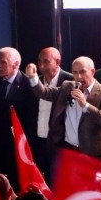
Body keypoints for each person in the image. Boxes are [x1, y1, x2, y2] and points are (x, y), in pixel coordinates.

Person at [25, 56, 101, 163]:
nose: (79, 76)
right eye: (75, 72)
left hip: (91, 155)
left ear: (92, 71)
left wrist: (85, 105)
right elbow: (44, 93)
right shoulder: (67, 86)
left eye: (82, 72)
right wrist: (32, 77)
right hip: (68, 151)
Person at [0, 47, 37, 185]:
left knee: (15, 184)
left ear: (16, 64)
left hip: (16, 147)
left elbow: (31, 118)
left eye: (3, 62)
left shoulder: (28, 85)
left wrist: (28, 145)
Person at [31, 47, 72, 178]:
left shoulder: (69, 82)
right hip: (38, 143)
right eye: (39, 61)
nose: (41, 66)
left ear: (57, 62)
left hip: (60, 145)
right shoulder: (34, 82)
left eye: (46, 61)